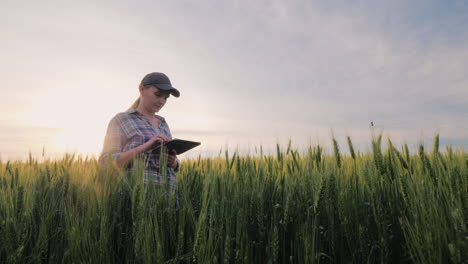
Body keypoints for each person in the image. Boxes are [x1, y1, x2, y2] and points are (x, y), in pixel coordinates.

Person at [99, 72, 181, 190]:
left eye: (166, 97)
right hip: (135, 199)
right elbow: (106, 162)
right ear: (142, 89)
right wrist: (145, 147)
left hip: (168, 201)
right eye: (158, 94)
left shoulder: (164, 124)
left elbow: (173, 162)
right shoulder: (121, 120)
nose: (162, 101)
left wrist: (174, 163)